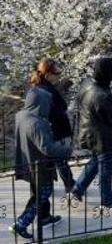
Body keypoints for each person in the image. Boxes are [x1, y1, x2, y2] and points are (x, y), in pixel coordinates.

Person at [10, 85, 72, 239]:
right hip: (40, 165)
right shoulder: (36, 123)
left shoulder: (21, 115)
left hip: (27, 162)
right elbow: (48, 148)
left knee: (37, 194)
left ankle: (41, 218)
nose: (48, 107)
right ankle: (21, 224)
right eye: (47, 104)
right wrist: (69, 150)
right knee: (43, 193)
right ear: (40, 103)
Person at [70, 57, 112, 210]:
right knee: (106, 167)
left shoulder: (86, 85)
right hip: (104, 137)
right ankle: (107, 199)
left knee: (95, 162)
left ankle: (77, 188)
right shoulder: (102, 95)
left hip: (88, 132)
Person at [31, 58, 75, 193]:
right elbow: (57, 109)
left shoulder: (41, 88)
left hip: (49, 128)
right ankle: (70, 185)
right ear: (48, 74)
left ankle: (67, 183)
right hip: (53, 129)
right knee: (59, 159)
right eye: (56, 73)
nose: (58, 76)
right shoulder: (47, 90)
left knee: (54, 160)